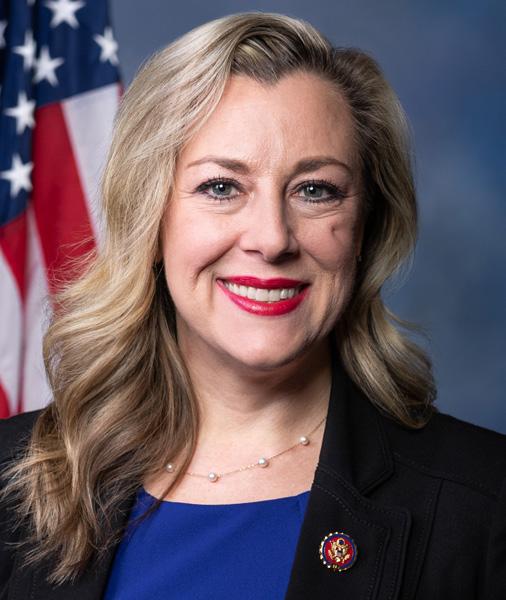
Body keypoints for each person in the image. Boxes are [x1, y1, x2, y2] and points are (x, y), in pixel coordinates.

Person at [1, 11, 505, 600]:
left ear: (365, 226)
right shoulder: (11, 480)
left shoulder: (484, 504)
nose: (272, 238)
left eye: (315, 190)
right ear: (151, 220)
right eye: (221, 187)